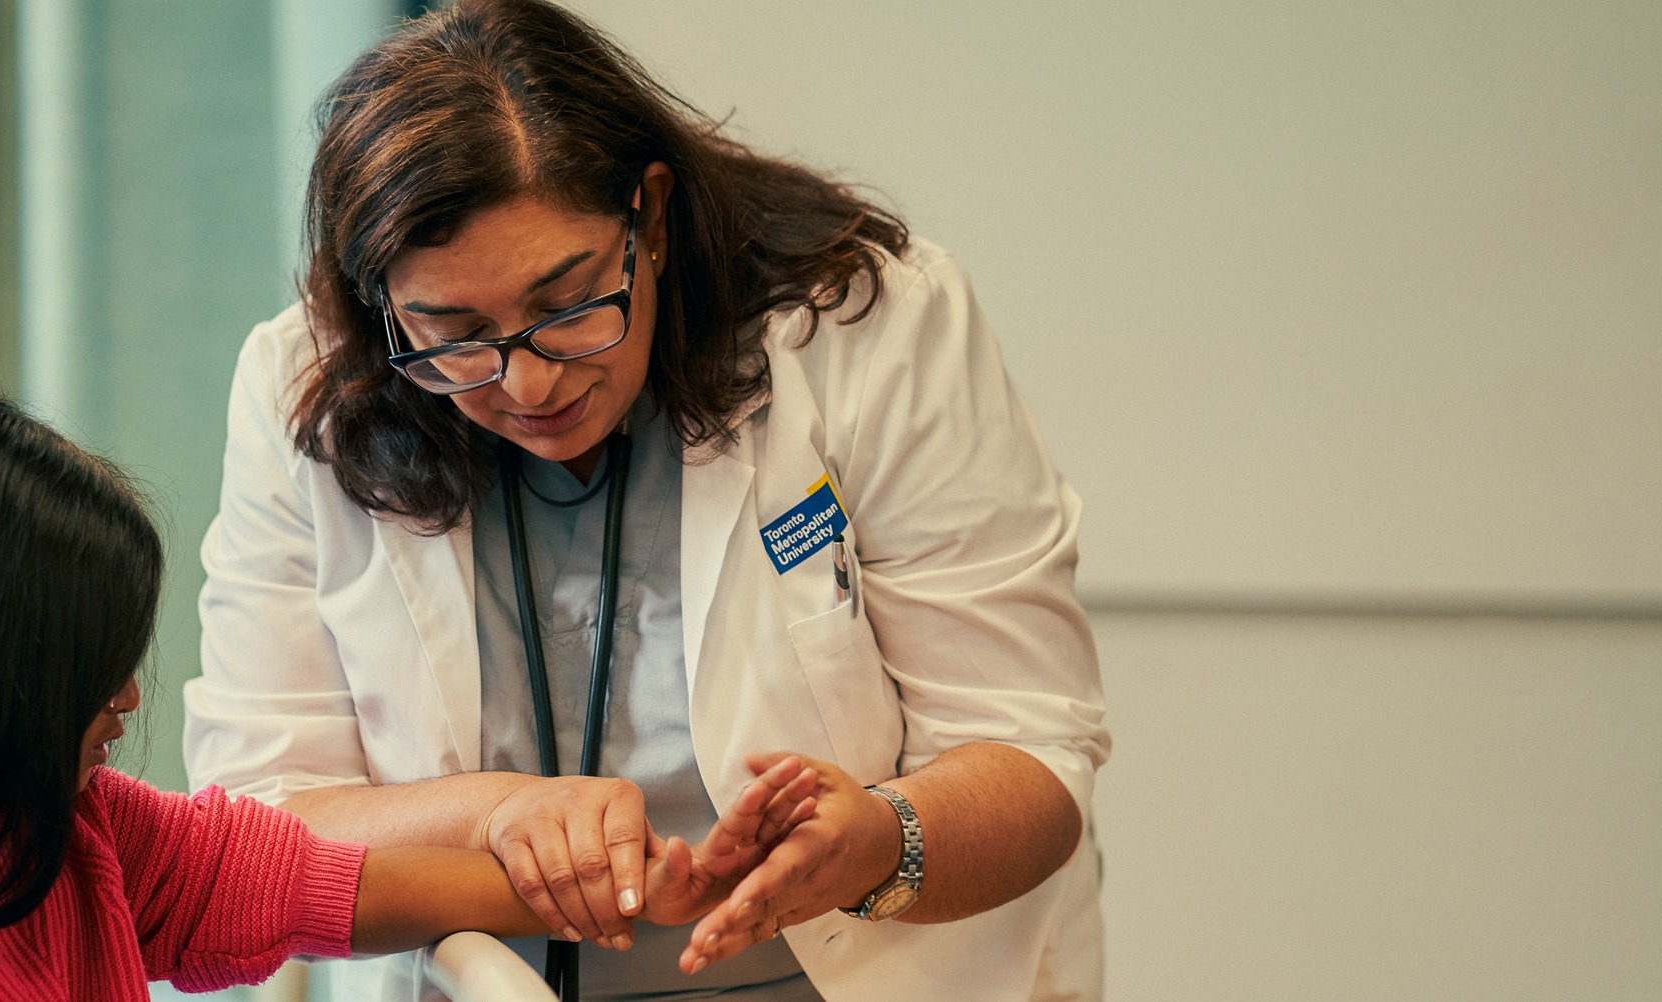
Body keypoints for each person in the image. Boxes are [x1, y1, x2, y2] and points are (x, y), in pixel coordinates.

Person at [182, 1, 1112, 1000]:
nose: (527, 384)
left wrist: (881, 842)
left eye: (569, 304)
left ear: (651, 216)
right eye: (452, 331)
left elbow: (1028, 755)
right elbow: (260, 821)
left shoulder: (863, 329)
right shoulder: (309, 385)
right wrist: (492, 812)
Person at [0, 391, 819, 1002]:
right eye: (89, 664)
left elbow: (326, 885)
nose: (123, 696)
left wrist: (642, 883)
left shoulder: (78, 843)